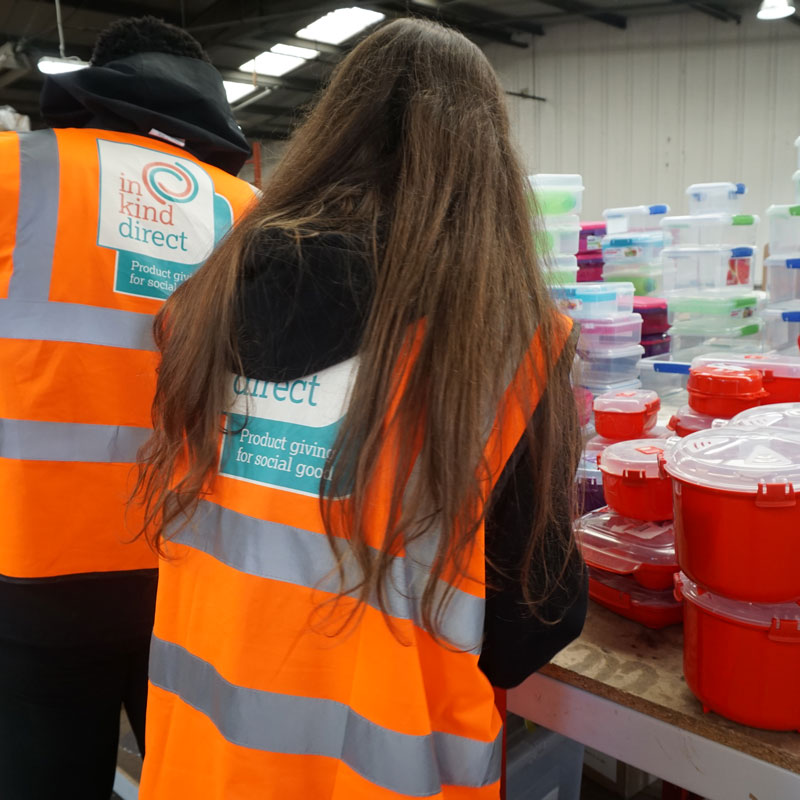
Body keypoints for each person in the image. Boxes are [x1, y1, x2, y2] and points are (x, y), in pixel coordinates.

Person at [135, 17, 587, 800]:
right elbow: (530, 628)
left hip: (195, 770)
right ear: (487, 169)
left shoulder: (200, 311)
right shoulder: (504, 349)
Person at [0, 16, 255, 799]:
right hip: (192, 568)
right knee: (186, 778)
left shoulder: (16, 171)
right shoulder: (252, 213)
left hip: (31, 565)